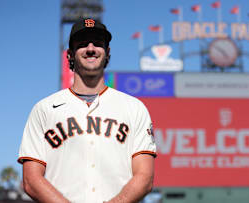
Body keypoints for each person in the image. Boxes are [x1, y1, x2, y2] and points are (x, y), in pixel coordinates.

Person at [18, 18, 157, 203]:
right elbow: (31, 179)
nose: (91, 48)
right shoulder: (44, 109)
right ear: (70, 55)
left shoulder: (134, 108)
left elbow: (145, 177)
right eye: (83, 44)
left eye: (98, 44)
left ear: (107, 53)